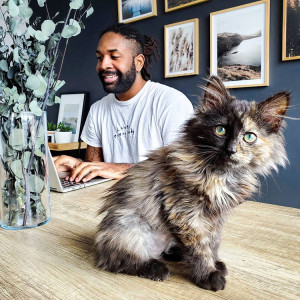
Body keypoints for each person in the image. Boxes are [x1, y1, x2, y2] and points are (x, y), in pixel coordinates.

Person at [54, 24, 194, 182]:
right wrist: (74, 166)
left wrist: (119, 169)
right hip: (107, 201)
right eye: (100, 58)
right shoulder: (97, 110)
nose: (103, 65)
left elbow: (182, 171)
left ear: (139, 62)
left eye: (114, 56)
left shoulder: (171, 102)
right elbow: (95, 168)